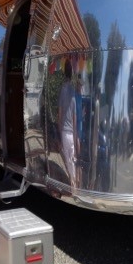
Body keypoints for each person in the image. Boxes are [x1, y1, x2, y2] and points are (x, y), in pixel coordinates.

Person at [58, 59, 78, 187]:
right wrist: (75, 135)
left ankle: (72, 182)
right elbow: (75, 116)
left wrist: (59, 129)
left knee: (68, 158)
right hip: (71, 131)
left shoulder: (62, 90)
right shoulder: (73, 92)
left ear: (64, 72)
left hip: (65, 131)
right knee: (72, 159)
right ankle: (74, 180)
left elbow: (60, 113)